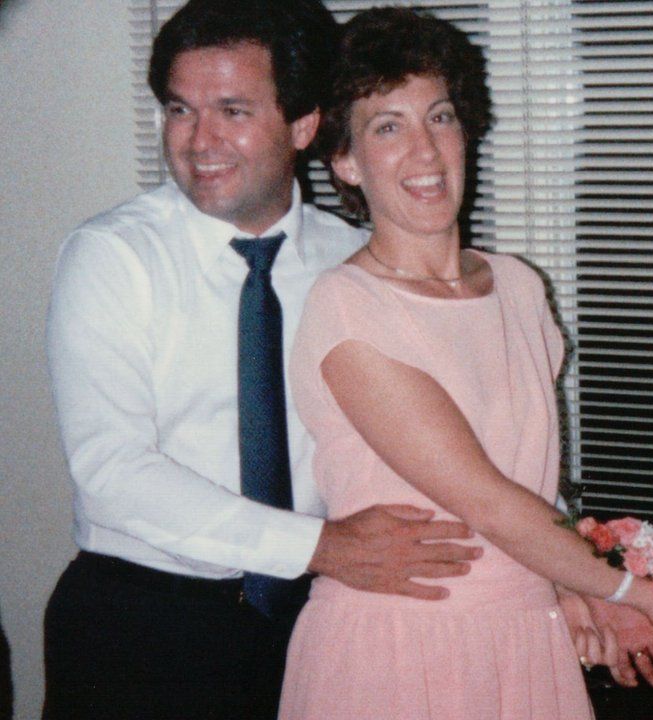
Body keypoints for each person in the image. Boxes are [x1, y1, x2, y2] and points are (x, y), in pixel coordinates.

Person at [279, 7, 653, 718]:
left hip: (525, 637)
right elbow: (487, 500)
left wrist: (579, 584)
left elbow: (535, 487)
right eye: (387, 126)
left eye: (439, 117)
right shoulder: (348, 307)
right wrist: (637, 594)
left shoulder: (519, 287)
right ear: (344, 160)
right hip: (401, 647)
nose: (425, 152)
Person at [42, 1, 482, 718]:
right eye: (180, 110)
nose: (198, 140)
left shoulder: (354, 262)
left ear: (303, 125)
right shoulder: (113, 257)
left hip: (318, 619)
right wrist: (319, 546)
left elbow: (450, 434)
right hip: (145, 627)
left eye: (233, 111)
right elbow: (111, 472)